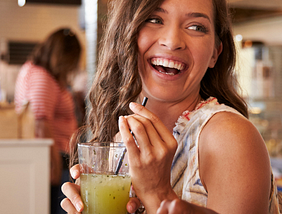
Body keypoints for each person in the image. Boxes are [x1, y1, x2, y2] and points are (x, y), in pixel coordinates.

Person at [60, 0, 281, 213]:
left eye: (196, 27)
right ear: (127, 33)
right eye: (155, 19)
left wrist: (157, 192)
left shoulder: (230, 138)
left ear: (215, 52)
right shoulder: (121, 140)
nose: (172, 40)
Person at [14, 28, 81, 214]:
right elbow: (42, 123)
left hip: (55, 155)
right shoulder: (42, 77)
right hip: (55, 156)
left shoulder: (35, 71)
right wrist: (53, 165)